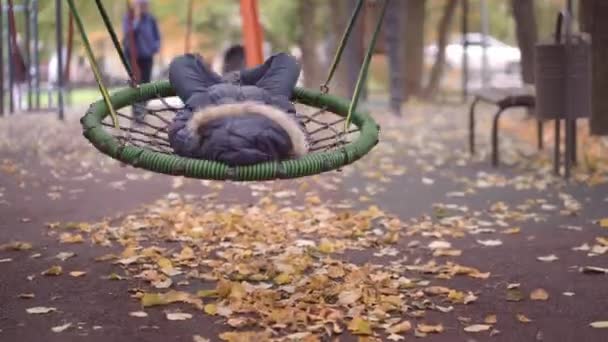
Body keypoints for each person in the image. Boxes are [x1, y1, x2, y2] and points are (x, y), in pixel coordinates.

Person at [167, 52, 309, 166]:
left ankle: (231, 78)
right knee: (287, 60)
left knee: (182, 62)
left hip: (215, 96)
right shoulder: (203, 144)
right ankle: (235, 78)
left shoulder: (200, 143)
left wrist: (199, 100)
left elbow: (179, 130)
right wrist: (278, 100)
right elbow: (295, 131)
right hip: (263, 97)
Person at [122, 0, 161, 85]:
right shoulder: (129, 17)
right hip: (133, 56)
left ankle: (146, 98)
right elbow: (128, 33)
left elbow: (157, 35)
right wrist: (137, 19)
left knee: (146, 81)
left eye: (145, 5)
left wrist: (155, 47)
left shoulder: (151, 19)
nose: (144, 7)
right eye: (141, 5)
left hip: (147, 56)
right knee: (135, 81)